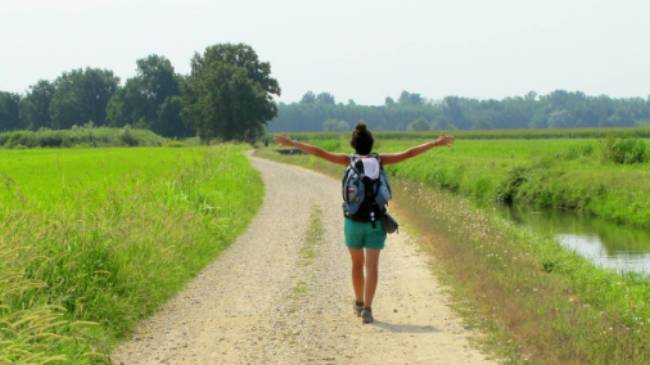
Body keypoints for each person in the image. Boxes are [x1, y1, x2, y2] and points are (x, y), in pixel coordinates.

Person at [275, 122, 454, 324]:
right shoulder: (380, 160)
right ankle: (368, 309)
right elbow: (409, 153)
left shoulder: (348, 160)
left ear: (354, 145)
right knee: (373, 266)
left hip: (353, 222)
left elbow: (318, 152)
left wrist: (292, 142)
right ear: (371, 144)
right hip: (376, 222)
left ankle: (359, 302)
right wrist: (435, 142)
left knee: (356, 264)